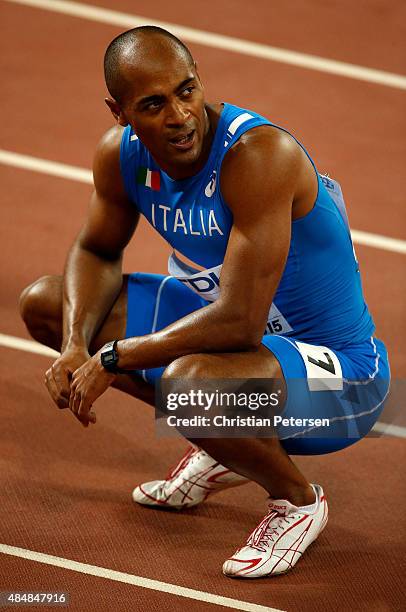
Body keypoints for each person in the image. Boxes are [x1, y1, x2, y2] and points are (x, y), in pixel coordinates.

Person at [19, 26, 390, 578]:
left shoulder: (259, 155)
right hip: (241, 344)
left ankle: (297, 500)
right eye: (153, 104)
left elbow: (239, 320)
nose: (179, 116)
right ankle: (226, 441)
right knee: (48, 303)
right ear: (119, 113)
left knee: (190, 385)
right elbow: (96, 250)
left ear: (200, 83)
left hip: (341, 376)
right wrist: (76, 344)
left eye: (186, 90)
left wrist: (115, 356)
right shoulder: (121, 157)